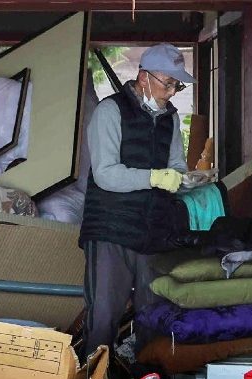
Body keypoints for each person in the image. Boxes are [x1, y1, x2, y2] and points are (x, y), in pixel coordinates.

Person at [79, 44, 194, 360]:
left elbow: (177, 164)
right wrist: (154, 178)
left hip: (154, 231)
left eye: (176, 86)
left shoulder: (170, 118)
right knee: (103, 316)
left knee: (153, 317)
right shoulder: (110, 112)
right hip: (110, 229)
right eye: (167, 84)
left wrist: (183, 178)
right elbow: (105, 174)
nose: (171, 93)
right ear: (144, 77)